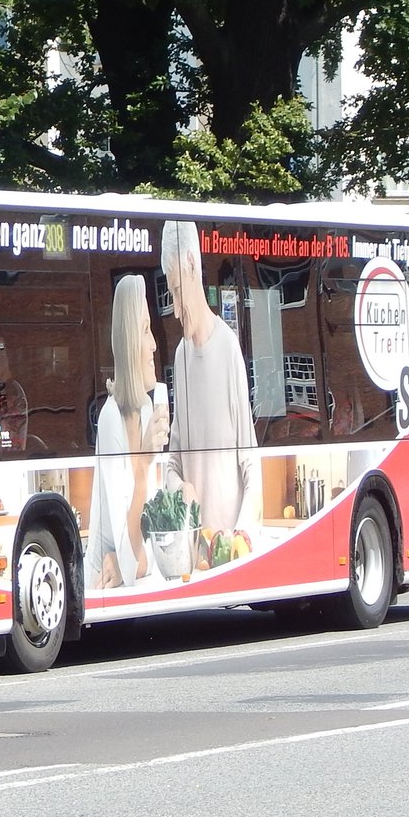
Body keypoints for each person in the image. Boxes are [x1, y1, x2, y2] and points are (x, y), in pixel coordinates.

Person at [160, 221, 261, 536]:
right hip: (193, 553)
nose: (175, 310)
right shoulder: (180, 356)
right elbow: (172, 464)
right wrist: (179, 489)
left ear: (192, 264)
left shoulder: (228, 347)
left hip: (229, 549)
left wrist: (240, 537)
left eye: (177, 291)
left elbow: (251, 462)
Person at [86, 275, 170, 589]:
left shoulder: (146, 411)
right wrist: (146, 462)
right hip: (104, 588)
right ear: (128, 339)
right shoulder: (110, 419)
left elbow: (147, 546)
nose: (153, 345)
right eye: (145, 330)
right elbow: (133, 555)